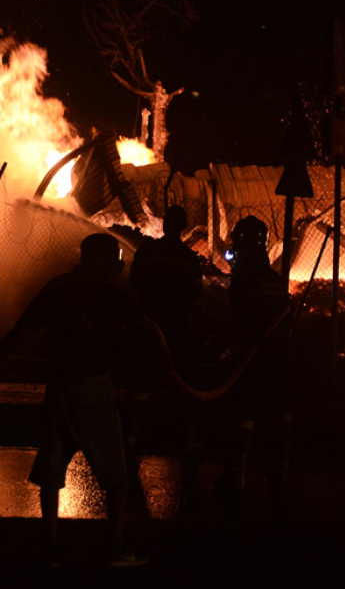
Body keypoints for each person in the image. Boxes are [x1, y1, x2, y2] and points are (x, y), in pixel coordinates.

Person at [0, 232, 169, 569]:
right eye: (113, 256)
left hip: (59, 389)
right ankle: (116, 549)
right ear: (102, 259)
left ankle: (51, 550)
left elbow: (23, 328)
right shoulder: (110, 290)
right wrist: (167, 357)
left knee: (51, 472)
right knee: (117, 477)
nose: (117, 263)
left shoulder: (57, 286)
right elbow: (147, 328)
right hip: (93, 388)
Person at [219, 214, 293, 527]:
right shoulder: (274, 278)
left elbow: (239, 317)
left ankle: (236, 476)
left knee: (244, 412)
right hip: (281, 354)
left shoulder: (244, 278)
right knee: (281, 412)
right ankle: (281, 474)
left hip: (253, 354)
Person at [126, 205, 206, 454]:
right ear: (183, 226)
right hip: (178, 325)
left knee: (141, 378)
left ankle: (130, 435)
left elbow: (135, 281)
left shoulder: (148, 251)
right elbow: (196, 294)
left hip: (150, 322)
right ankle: (187, 436)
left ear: (165, 223)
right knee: (184, 379)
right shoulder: (189, 258)